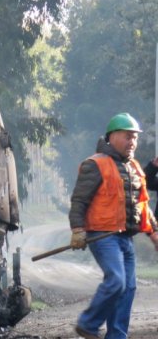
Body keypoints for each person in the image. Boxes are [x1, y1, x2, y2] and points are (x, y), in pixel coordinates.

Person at [68, 112, 158, 339]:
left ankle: (117, 336)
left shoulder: (135, 167)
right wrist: (78, 230)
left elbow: (143, 204)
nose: (132, 142)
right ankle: (88, 324)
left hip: (125, 237)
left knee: (128, 287)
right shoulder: (95, 164)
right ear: (112, 137)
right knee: (116, 280)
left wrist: (154, 232)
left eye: (135, 138)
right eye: (128, 137)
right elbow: (79, 200)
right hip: (102, 235)